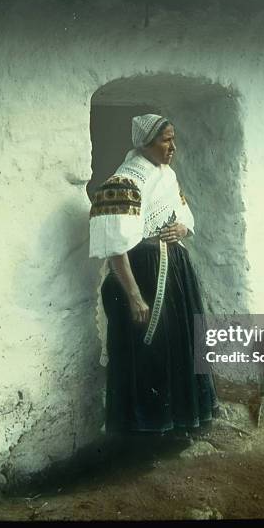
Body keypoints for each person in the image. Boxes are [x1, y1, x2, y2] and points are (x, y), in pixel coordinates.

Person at [89, 113, 219, 437]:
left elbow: (182, 211)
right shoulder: (125, 182)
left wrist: (182, 227)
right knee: (150, 351)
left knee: (180, 345)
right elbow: (115, 247)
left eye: (173, 139)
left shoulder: (167, 175)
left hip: (175, 271)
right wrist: (134, 296)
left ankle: (178, 422)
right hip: (143, 274)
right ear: (145, 143)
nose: (173, 146)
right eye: (166, 140)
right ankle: (145, 433)